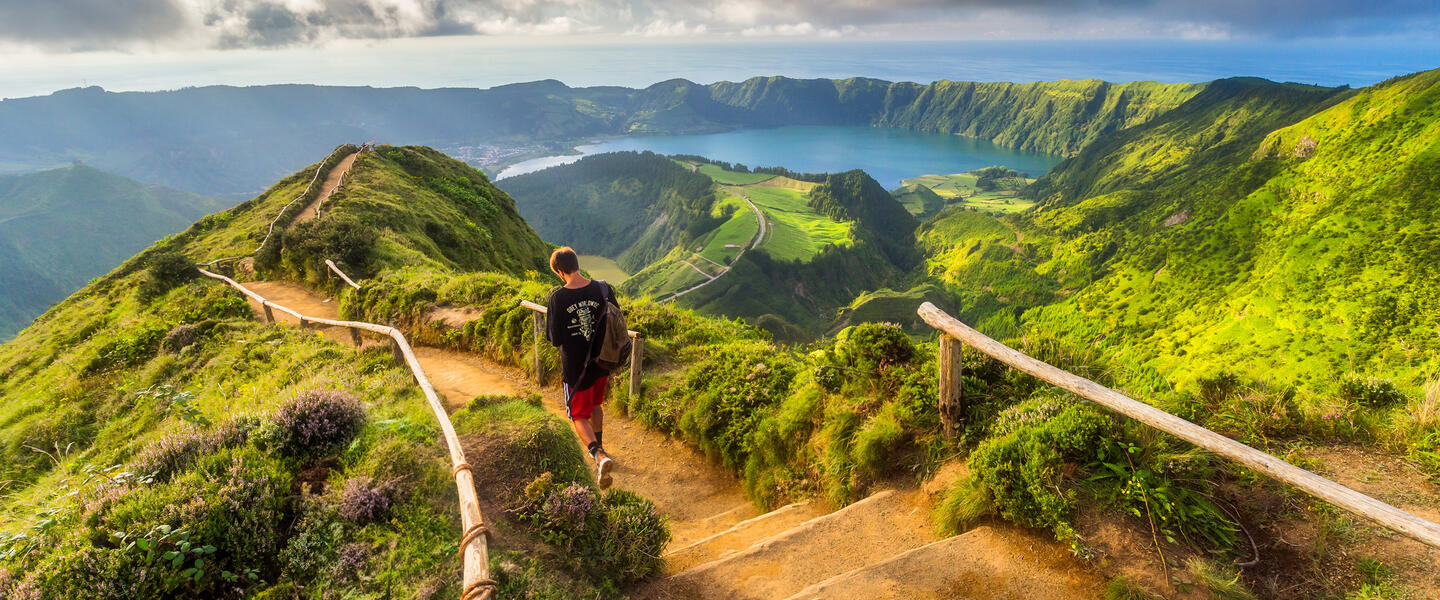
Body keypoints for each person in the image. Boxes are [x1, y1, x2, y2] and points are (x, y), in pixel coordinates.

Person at [544, 247, 618, 488]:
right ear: (577, 264)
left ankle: (599, 455)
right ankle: (602, 447)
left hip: (577, 369)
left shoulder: (558, 298)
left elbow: (554, 339)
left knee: (577, 415)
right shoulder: (602, 288)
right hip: (602, 362)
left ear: (559, 271)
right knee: (596, 405)